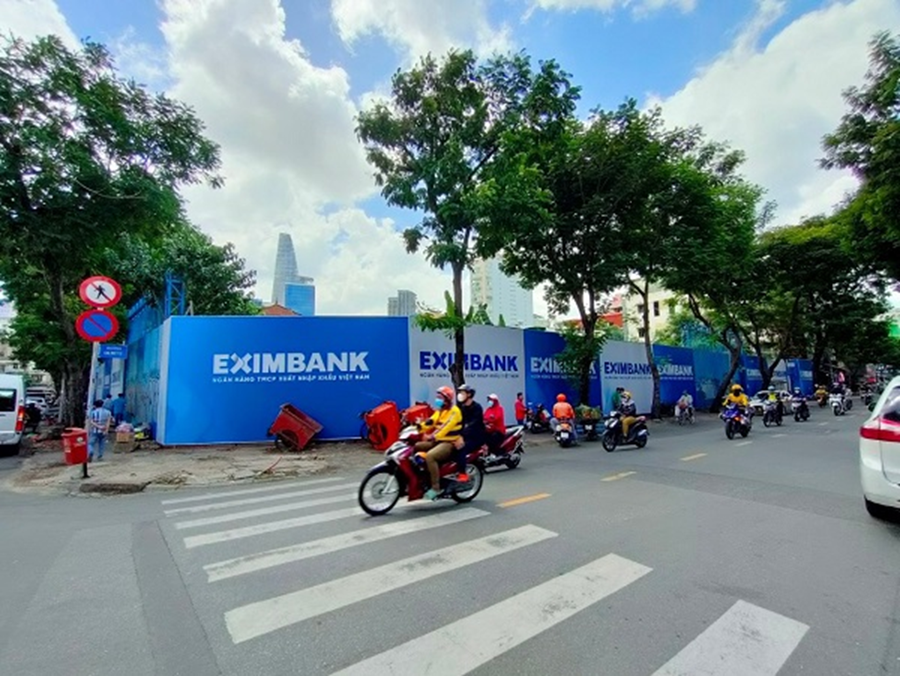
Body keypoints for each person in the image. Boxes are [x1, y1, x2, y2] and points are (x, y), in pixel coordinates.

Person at [416, 386, 463, 501]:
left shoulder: (454, 411)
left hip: (449, 443)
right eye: (437, 397)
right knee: (416, 446)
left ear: (447, 399)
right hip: (438, 441)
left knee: (430, 456)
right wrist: (418, 427)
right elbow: (431, 422)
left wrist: (433, 436)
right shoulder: (440, 411)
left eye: (440, 397)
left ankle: (436, 488)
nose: (437, 399)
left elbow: (446, 427)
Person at [453, 384, 485, 484]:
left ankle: (462, 474)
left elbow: (473, 425)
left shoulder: (477, 407)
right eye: (459, 392)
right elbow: (458, 423)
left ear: (469, 394)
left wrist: (461, 435)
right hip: (464, 436)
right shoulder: (462, 408)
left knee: (460, 449)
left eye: (462, 393)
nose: (459, 395)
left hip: (475, 438)